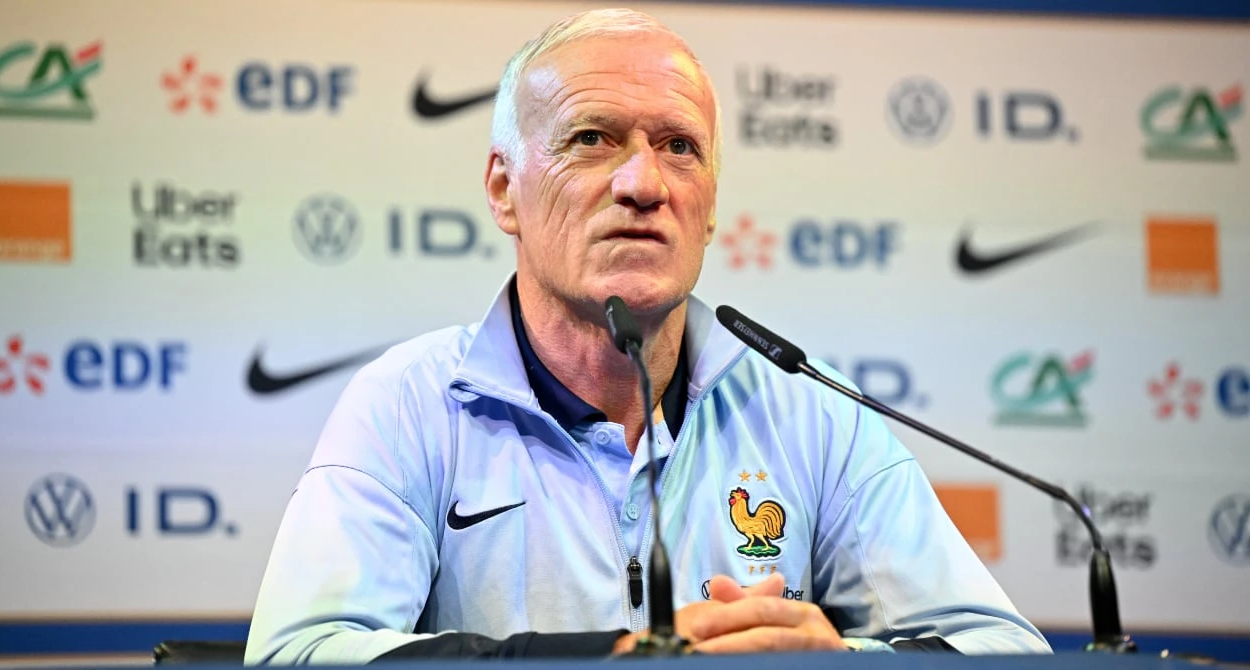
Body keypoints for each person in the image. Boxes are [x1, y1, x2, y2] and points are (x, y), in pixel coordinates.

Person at [244, 8, 1051, 664]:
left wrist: (839, 660)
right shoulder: (409, 404)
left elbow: (1006, 649)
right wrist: (614, 659)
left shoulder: (809, 409)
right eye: (592, 138)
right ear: (504, 189)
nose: (642, 183)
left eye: (679, 147)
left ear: (710, 208)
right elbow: (299, 653)